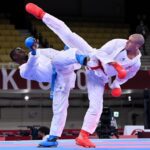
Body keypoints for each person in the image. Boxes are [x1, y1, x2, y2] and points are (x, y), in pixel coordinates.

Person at [25, 3, 144, 148]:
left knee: (97, 106)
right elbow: (99, 53)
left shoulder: (136, 64)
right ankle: (42, 14)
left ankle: (83, 135)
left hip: (98, 77)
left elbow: (126, 77)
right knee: (68, 34)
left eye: (131, 42)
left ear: (137, 46)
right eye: (128, 39)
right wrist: (115, 65)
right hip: (91, 57)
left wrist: (116, 85)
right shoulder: (118, 43)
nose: (127, 42)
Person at [10, 37, 88, 147]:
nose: (22, 50)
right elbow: (32, 65)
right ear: (15, 58)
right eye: (18, 51)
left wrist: (63, 52)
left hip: (63, 67)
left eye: (21, 49)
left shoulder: (39, 51)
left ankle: (84, 59)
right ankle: (52, 138)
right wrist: (33, 51)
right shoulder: (23, 70)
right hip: (60, 80)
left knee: (63, 53)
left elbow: (53, 53)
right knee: (59, 108)